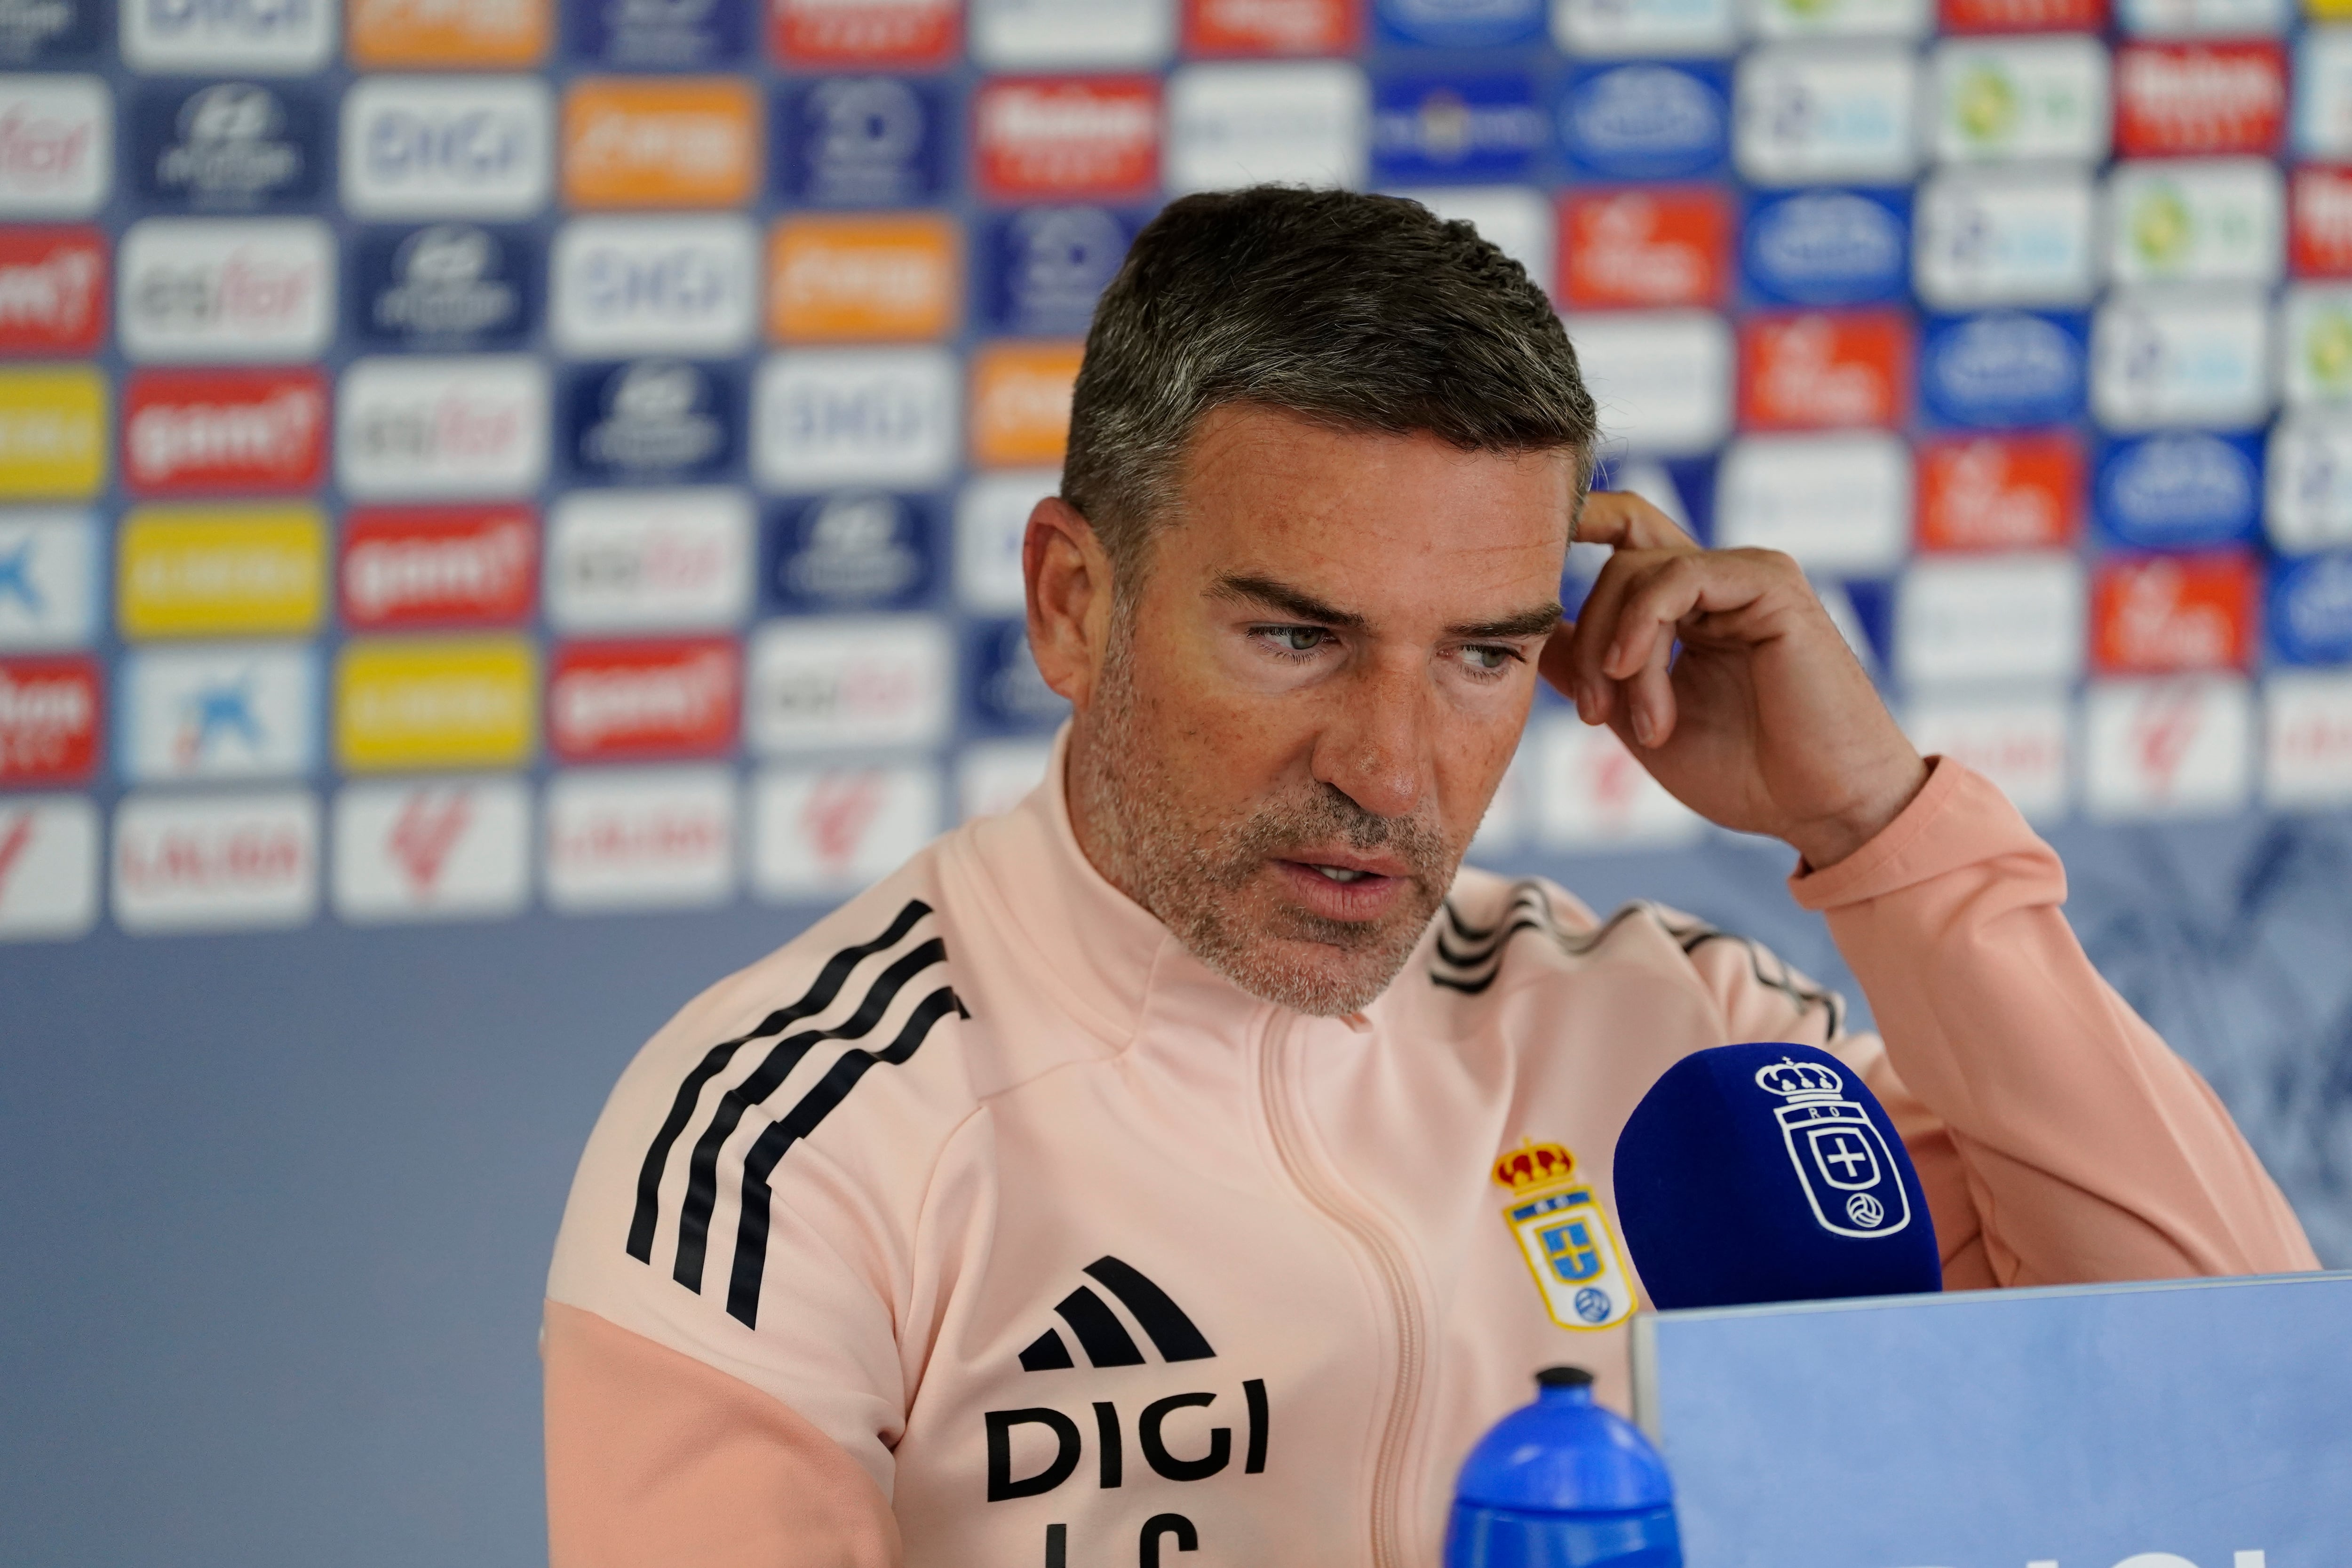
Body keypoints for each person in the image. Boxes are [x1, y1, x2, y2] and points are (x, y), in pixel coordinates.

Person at [542, 187, 2315, 1568]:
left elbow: (2226, 1427)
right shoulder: (795, 1133)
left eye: (1482, 654)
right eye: (1298, 636)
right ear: (1075, 602)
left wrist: (1879, 838)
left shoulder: (1686, 1030)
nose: (1393, 773)